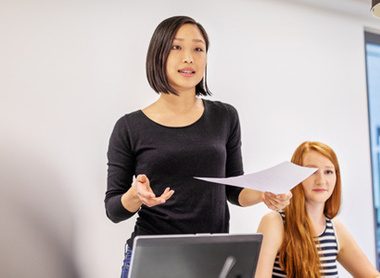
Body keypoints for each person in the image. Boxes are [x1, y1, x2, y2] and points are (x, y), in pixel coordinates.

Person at [105, 15, 292, 278]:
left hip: (212, 260)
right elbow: (113, 209)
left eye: (198, 49)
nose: (189, 58)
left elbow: (233, 189)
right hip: (154, 262)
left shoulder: (225, 117)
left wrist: (264, 194)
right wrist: (136, 195)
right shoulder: (129, 127)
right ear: (158, 55)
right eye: (176, 47)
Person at [255, 141, 380, 278]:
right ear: (295, 177)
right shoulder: (274, 222)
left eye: (328, 172)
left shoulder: (334, 228)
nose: (321, 180)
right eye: (312, 172)